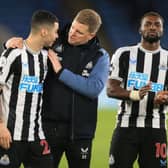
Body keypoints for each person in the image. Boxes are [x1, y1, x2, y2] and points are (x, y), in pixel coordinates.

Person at [5, 8, 110, 168]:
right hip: (47, 128)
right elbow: (30, 46)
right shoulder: (55, 40)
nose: (72, 33)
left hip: (80, 132)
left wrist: (61, 72)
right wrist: (9, 43)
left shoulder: (100, 56)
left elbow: (93, 88)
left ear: (91, 36)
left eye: (79, 32)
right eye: (73, 27)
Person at [107, 11, 167, 168]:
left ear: (162, 30)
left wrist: (165, 98)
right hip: (126, 127)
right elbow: (111, 90)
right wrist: (135, 94)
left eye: (157, 24)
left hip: (156, 129)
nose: (152, 27)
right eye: (148, 24)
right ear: (140, 29)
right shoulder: (124, 54)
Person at [0, 10, 59, 168]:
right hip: (10, 135)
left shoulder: (47, 58)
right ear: (44, 31)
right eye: (55, 32)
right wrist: (0, 127)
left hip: (36, 135)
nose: (57, 36)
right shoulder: (13, 55)